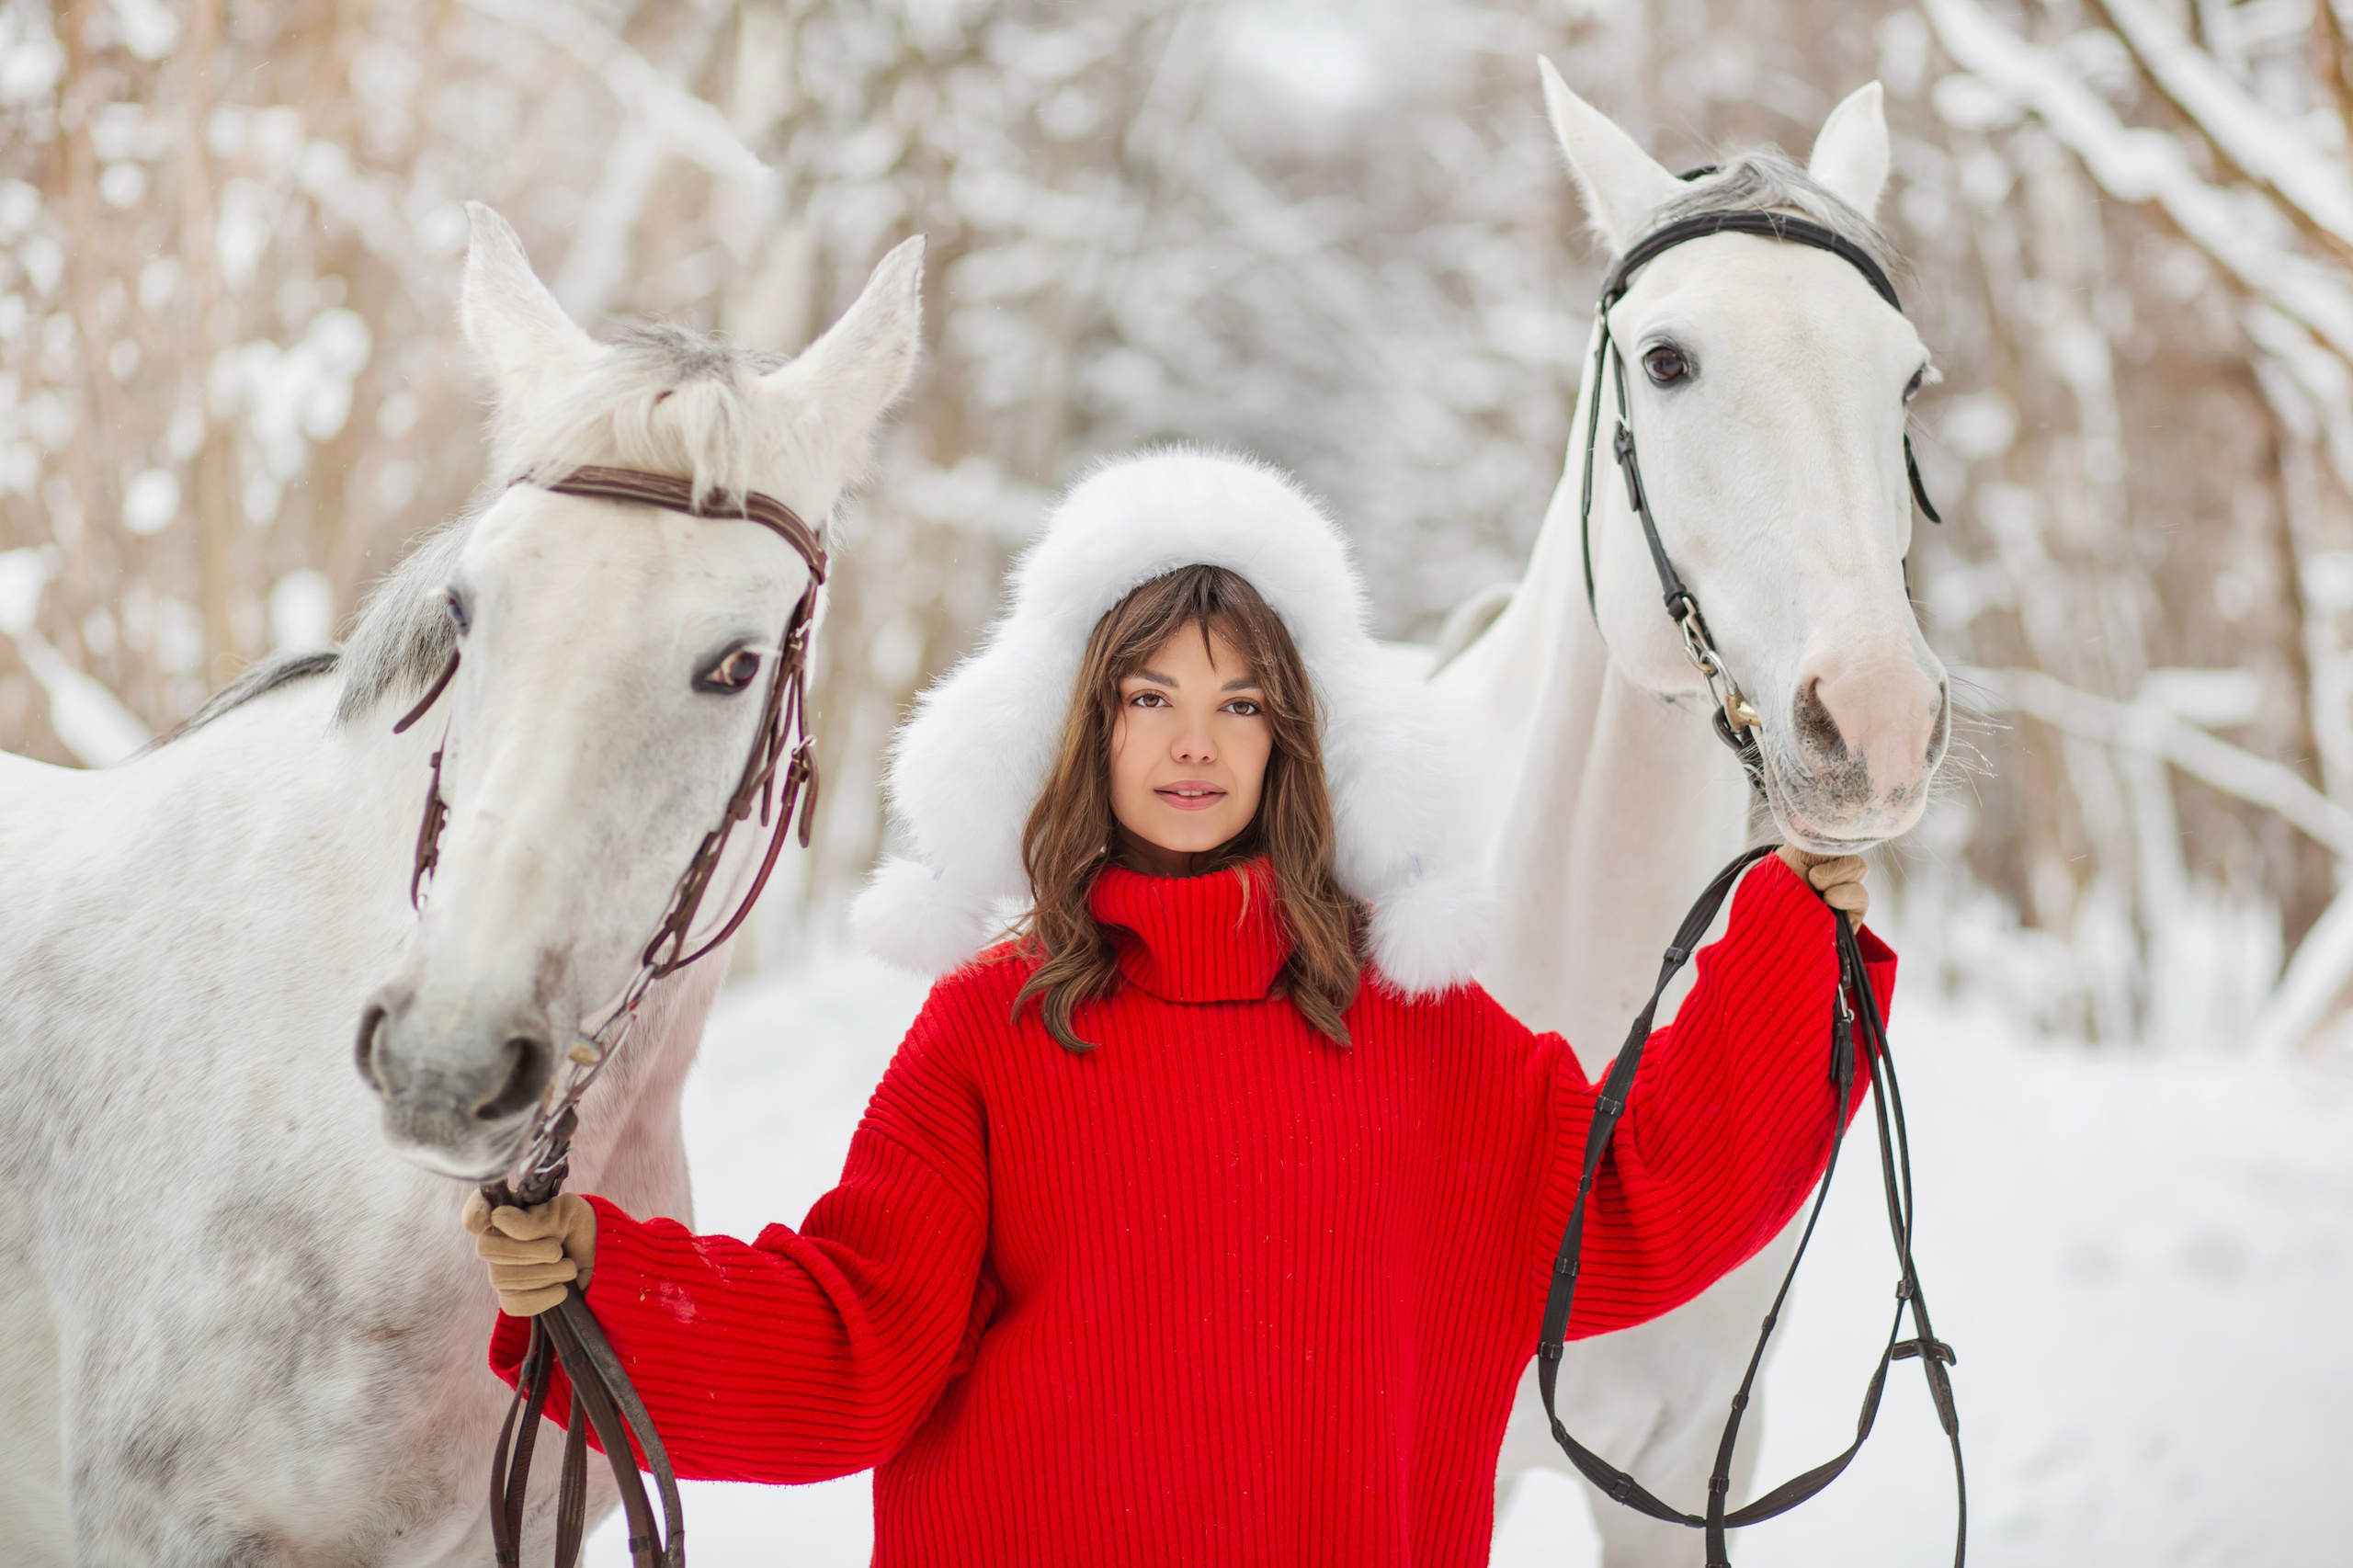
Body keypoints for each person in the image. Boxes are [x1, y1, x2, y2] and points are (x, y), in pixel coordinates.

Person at [465, 449, 1888, 1568]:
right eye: (1149, 697)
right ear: (1090, 727)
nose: (1194, 740)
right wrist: (606, 1285)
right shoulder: (987, 1036)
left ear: (1296, 735)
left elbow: (1632, 1202)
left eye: (1241, 700)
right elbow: (857, 1336)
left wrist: (1790, 948)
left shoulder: (1427, 1038)